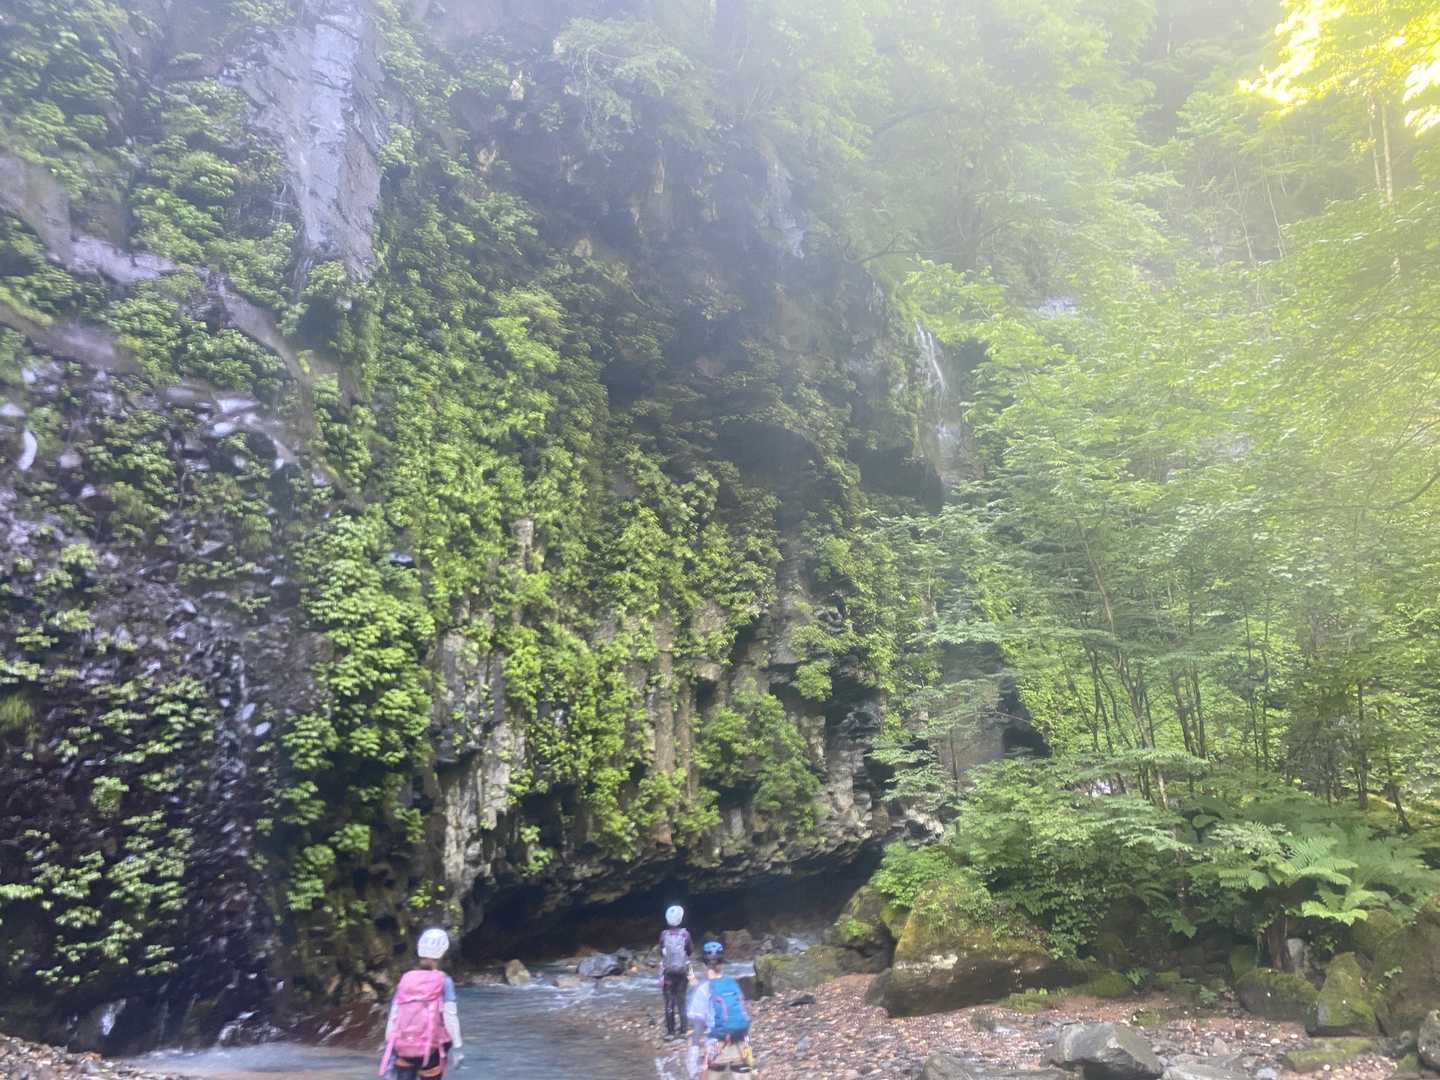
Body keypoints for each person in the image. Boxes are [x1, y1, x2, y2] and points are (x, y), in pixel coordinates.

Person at [379, 928, 463, 1079]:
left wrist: (390, 1048)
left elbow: (394, 1015)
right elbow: (450, 1017)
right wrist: (457, 1047)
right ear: (442, 953)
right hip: (431, 1051)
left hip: (404, 1049)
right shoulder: (444, 981)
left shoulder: (406, 979)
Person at [694, 941, 756, 1076]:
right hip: (740, 1040)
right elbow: (743, 1009)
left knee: (711, 1074)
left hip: (717, 1044)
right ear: (722, 963)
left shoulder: (703, 988)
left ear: (704, 964)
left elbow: (699, 1022)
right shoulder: (731, 982)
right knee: (743, 1075)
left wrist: (695, 1047)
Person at [659, 904, 694, 1039]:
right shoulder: (685, 934)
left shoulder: (663, 935)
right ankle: (684, 1031)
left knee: (669, 1002)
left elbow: (661, 952)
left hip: (668, 973)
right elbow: (690, 951)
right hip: (682, 972)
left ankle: (670, 1032)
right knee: (682, 1001)